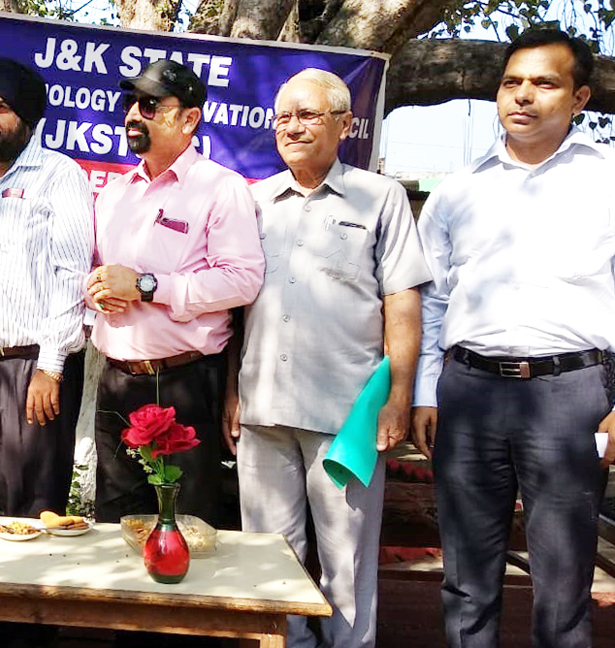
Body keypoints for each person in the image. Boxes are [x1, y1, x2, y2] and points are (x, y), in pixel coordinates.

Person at [412, 28, 614, 648]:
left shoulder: (606, 181)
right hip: (468, 393)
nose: (523, 95)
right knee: (467, 578)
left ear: (578, 98)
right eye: (511, 82)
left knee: (562, 581)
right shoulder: (457, 190)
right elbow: (434, 300)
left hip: (571, 394)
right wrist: (427, 392)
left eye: (544, 83)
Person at [224, 68, 430, 648]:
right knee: (268, 558)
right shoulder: (253, 201)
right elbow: (237, 306)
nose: (292, 127)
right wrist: (232, 391)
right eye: (283, 116)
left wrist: (397, 398)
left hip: (348, 415)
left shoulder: (380, 196)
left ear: (344, 124)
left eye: (308, 115)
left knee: (348, 560)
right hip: (263, 408)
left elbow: (403, 303)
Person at [86, 59, 264, 525]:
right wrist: (98, 291)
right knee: (116, 525)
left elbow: (242, 280)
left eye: (149, 104)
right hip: (117, 379)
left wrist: (145, 286)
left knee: (185, 526)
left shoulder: (221, 189)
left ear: (189, 119)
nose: (132, 115)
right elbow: (95, 272)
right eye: (130, 103)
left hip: (183, 383)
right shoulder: (114, 193)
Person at [0, 56, 94, 518]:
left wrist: (50, 368)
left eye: (1, 107)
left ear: (27, 116)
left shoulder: (59, 174)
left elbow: (71, 273)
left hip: (32, 369)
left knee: (33, 513)